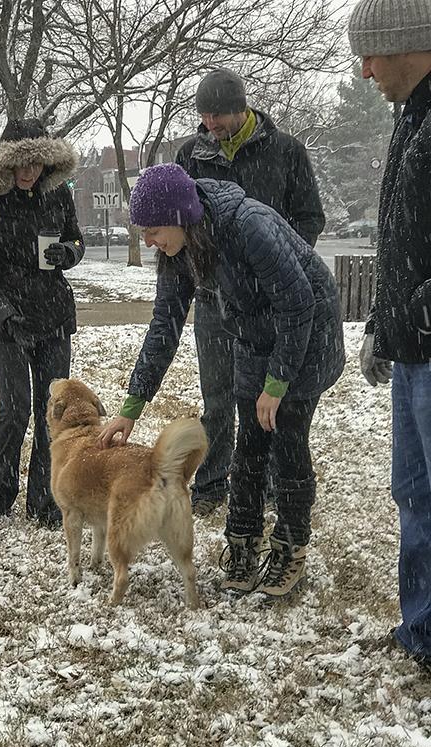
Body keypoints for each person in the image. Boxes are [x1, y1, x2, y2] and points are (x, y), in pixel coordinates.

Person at [98, 163, 344, 597]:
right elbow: (164, 326)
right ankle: (243, 544)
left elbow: (298, 304)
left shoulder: (248, 226)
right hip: (253, 336)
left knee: (287, 441)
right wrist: (131, 408)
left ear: (179, 216)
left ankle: (290, 549)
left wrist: (277, 383)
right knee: (249, 443)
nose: (147, 239)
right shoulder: (178, 252)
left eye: (152, 229)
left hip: (307, 336)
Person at [176, 68, 326, 516]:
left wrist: (275, 266)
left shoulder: (285, 151)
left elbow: (309, 217)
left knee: (270, 395)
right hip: (212, 299)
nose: (211, 123)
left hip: (268, 302)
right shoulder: (191, 154)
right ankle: (212, 479)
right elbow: (181, 222)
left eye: (219, 113)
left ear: (242, 108)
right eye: (204, 114)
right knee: (217, 395)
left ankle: (278, 482)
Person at [348, 0, 431, 666]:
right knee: (415, 497)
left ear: (411, 45)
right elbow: (402, 236)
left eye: (372, 55)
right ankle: (422, 632)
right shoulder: (412, 120)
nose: (367, 71)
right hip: (412, 354)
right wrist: (384, 318)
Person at [0, 118, 84, 527]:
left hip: (52, 315)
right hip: (3, 322)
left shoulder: (58, 197)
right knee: (14, 409)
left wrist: (67, 254)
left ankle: (46, 504)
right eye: (21, 164)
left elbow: (77, 240)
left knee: (55, 412)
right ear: (5, 165)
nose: (29, 172)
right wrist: (5, 315)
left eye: (36, 163)